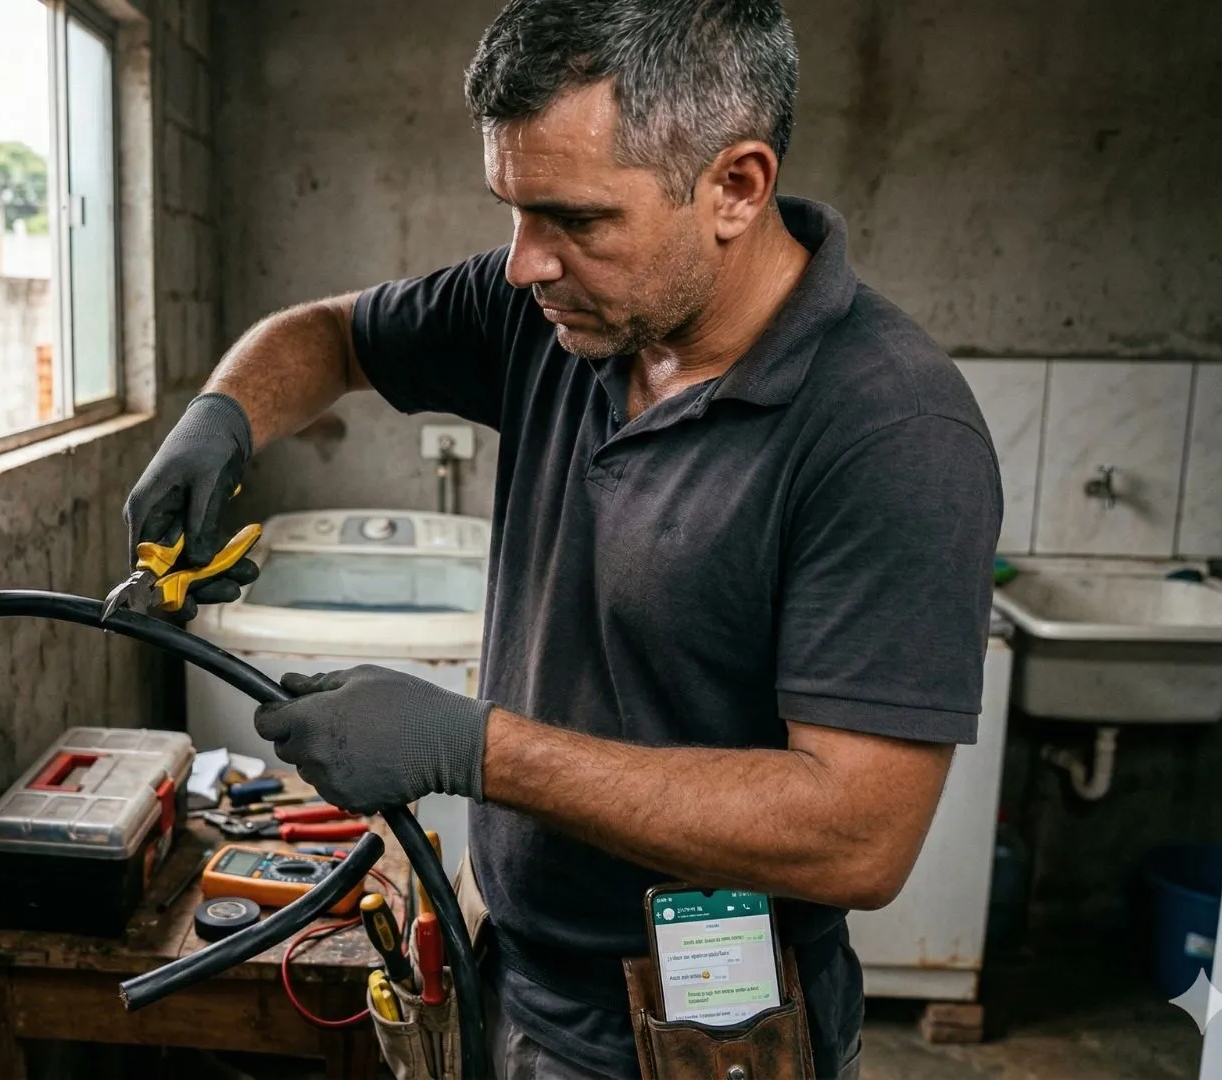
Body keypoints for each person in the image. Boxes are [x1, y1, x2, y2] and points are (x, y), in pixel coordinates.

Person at [122, 1, 1001, 1075]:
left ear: (735, 186)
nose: (521, 263)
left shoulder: (888, 428)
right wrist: (224, 416)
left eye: (575, 219)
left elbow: (858, 834)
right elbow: (329, 337)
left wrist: (475, 750)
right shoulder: (556, 316)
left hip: (704, 1026)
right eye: (512, 209)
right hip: (518, 969)